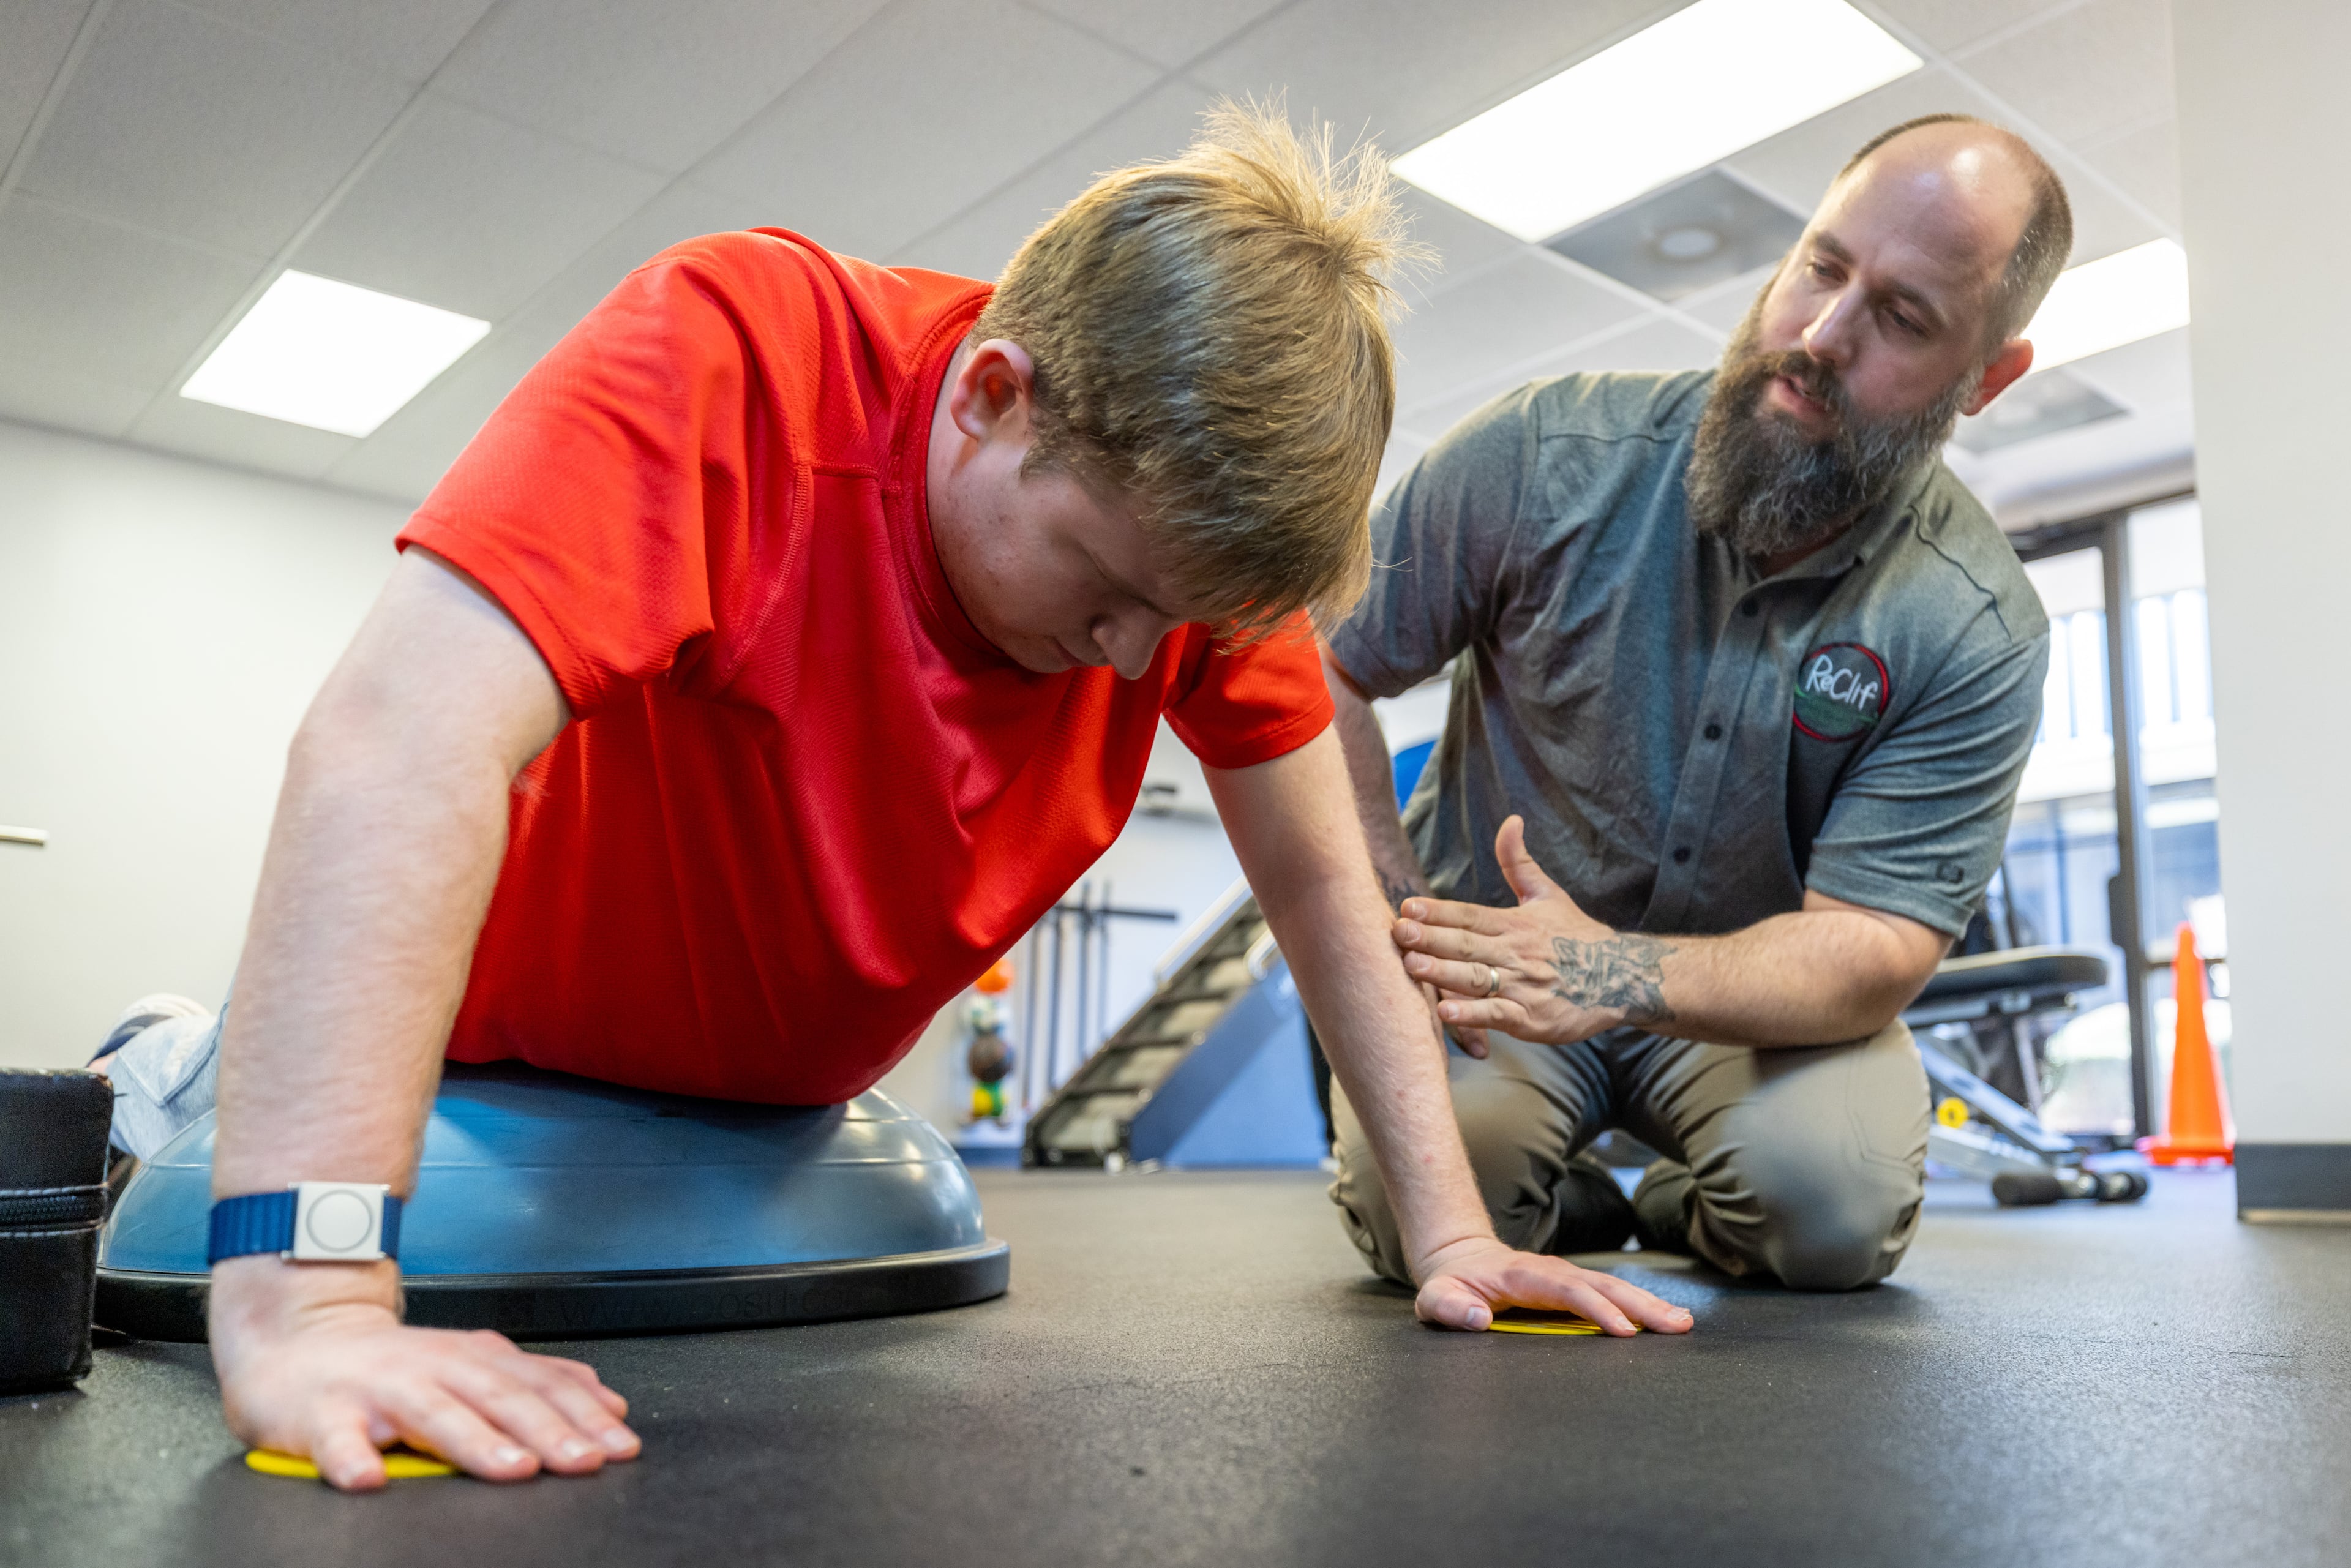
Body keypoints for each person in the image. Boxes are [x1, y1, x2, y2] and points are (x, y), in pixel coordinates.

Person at [91, 106, 1692, 1493]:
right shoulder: (737, 352)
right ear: (995, 392)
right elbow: (397, 742)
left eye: (1179, 628)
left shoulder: (1202, 551)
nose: (1137, 658)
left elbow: (1328, 888)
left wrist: (1451, 1232)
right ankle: (180, 1055)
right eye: (1107, 592)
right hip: (490, 1042)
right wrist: (309, 1301)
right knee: (204, 1117)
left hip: (777, 1104)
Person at [1321, 114, 2064, 1295]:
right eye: (1822, 265)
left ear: (1986, 377)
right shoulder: (1544, 453)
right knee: (1427, 1203)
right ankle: (1555, 1205)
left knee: (1830, 1210)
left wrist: (1608, 973)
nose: (1821, 334)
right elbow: (1317, 664)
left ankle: (1675, 1203)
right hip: (1493, 970)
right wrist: (1399, 922)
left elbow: (1873, 948)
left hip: (1749, 1007)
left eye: (1903, 317)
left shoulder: (1973, 624)